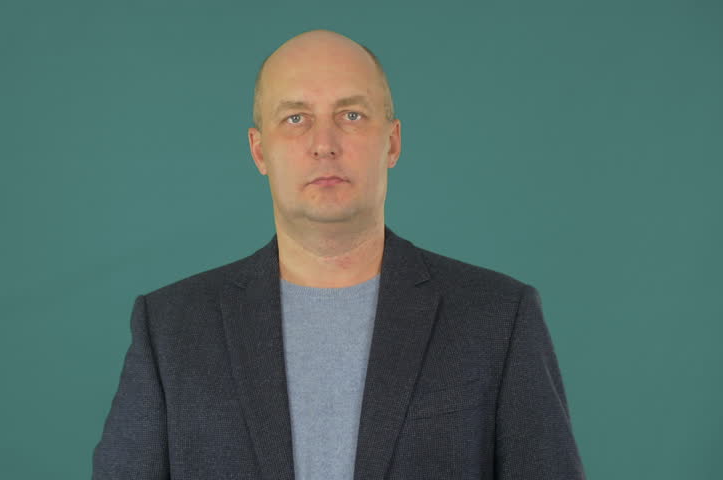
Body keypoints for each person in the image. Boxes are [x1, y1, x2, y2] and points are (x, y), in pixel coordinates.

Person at [92, 29, 586, 479]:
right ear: (259, 151)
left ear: (392, 142)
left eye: (351, 115)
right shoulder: (170, 329)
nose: (324, 144)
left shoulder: (498, 317)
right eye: (296, 119)